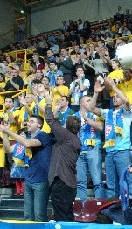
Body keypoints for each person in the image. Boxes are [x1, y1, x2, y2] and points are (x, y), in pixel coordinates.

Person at [0, 115, 52, 222]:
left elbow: (27, 144)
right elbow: (7, 149)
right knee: (28, 216)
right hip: (28, 178)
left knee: (39, 216)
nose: (28, 123)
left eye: (32, 121)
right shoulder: (27, 137)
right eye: (28, 121)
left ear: (39, 125)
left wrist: (9, 132)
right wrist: (5, 134)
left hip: (41, 179)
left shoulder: (43, 135)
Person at [89, 77, 132, 198]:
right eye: (113, 97)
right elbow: (91, 108)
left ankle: (129, 210)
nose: (115, 98)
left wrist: (114, 87)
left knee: (126, 182)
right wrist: (96, 93)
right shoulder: (108, 113)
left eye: (117, 96)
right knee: (111, 185)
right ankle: (113, 212)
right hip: (110, 152)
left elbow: (127, 101)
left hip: (122, 152)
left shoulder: (127, 112)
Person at [44, 91, 81, 221]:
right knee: (67, 214)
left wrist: (48, 103)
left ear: (67, 127)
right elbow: (56, 123)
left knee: (61, 215)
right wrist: (57, 110)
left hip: (62, 182)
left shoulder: (66, 137)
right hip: (70, 183)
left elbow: (50, 121)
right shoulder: (75, 139)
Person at [74, 95, 104, 202]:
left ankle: (100, 208)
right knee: (80, 182)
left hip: (93, 149)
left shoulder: (95, 115)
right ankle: (81, 207)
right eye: (88, 101)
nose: (91, 102)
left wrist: (87, 118)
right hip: (79, 151)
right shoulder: (74, 116)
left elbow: (101, 127)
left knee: (97, 181)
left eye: (91, 101)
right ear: (81, 103)